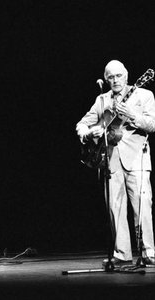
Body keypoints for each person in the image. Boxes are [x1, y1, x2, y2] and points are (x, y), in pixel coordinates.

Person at [76, 60, 155, 267]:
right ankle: (122, 253)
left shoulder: (144, 95)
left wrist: (131, 115)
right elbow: (83, 123)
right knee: (115, 206)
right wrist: (86, 133)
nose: (115, 80)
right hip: (109, 159)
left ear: (127, 76)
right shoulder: (102, 100)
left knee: (142, 206)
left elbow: (152, 125)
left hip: (137, 156)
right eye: (110, 77)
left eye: (118, 76)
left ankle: (148, 252)